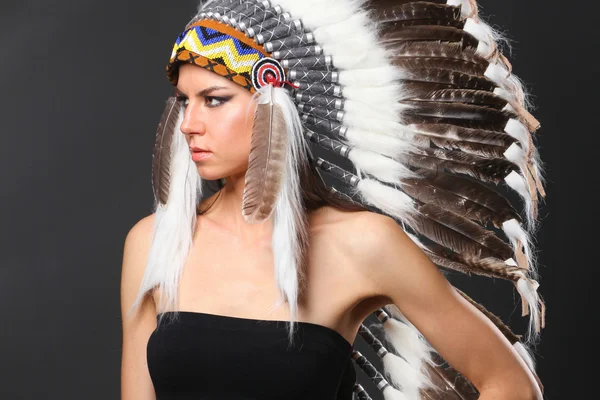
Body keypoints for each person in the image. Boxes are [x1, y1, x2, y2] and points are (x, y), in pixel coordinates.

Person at [120, 0, 546, 399]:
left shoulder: (362, 243)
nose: (189, 124)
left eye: (214, 100)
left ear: (275, 103)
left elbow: (509, 384)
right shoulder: (155, 243)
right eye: (183, 101)